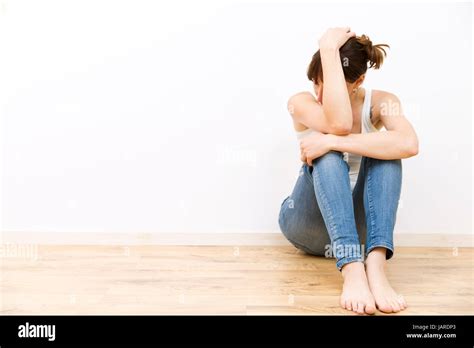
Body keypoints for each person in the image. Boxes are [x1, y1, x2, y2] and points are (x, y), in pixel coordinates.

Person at [278, 27, 419, 314]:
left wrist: (328, 140)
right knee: (328, 156)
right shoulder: (301, 102)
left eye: (328, 85)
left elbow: (409, 143)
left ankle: (376, 268)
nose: (319, 93)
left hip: (360, 229)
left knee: (387, 151)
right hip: (307, 224)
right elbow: (339, 123)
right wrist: (328, 49)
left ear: (359, 81)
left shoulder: (382, 103)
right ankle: (353, 269)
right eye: (317, 82)